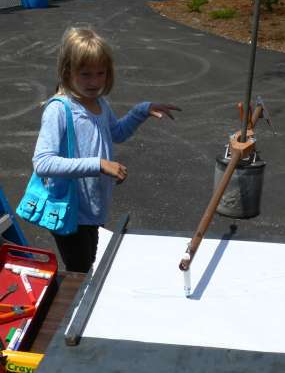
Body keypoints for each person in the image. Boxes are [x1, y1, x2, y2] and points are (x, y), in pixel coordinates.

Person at [33, 27, 180, 272]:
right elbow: (43, 162)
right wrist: (99, 164)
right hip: (70, 211)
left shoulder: (99, 103)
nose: (94, 82)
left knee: (89, 263)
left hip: (93, 207)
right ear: (68, 72)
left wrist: (141, 111)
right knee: (81, 270)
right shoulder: (59, 109)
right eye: (85, 74)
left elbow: (117, 133)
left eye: (100, 73)